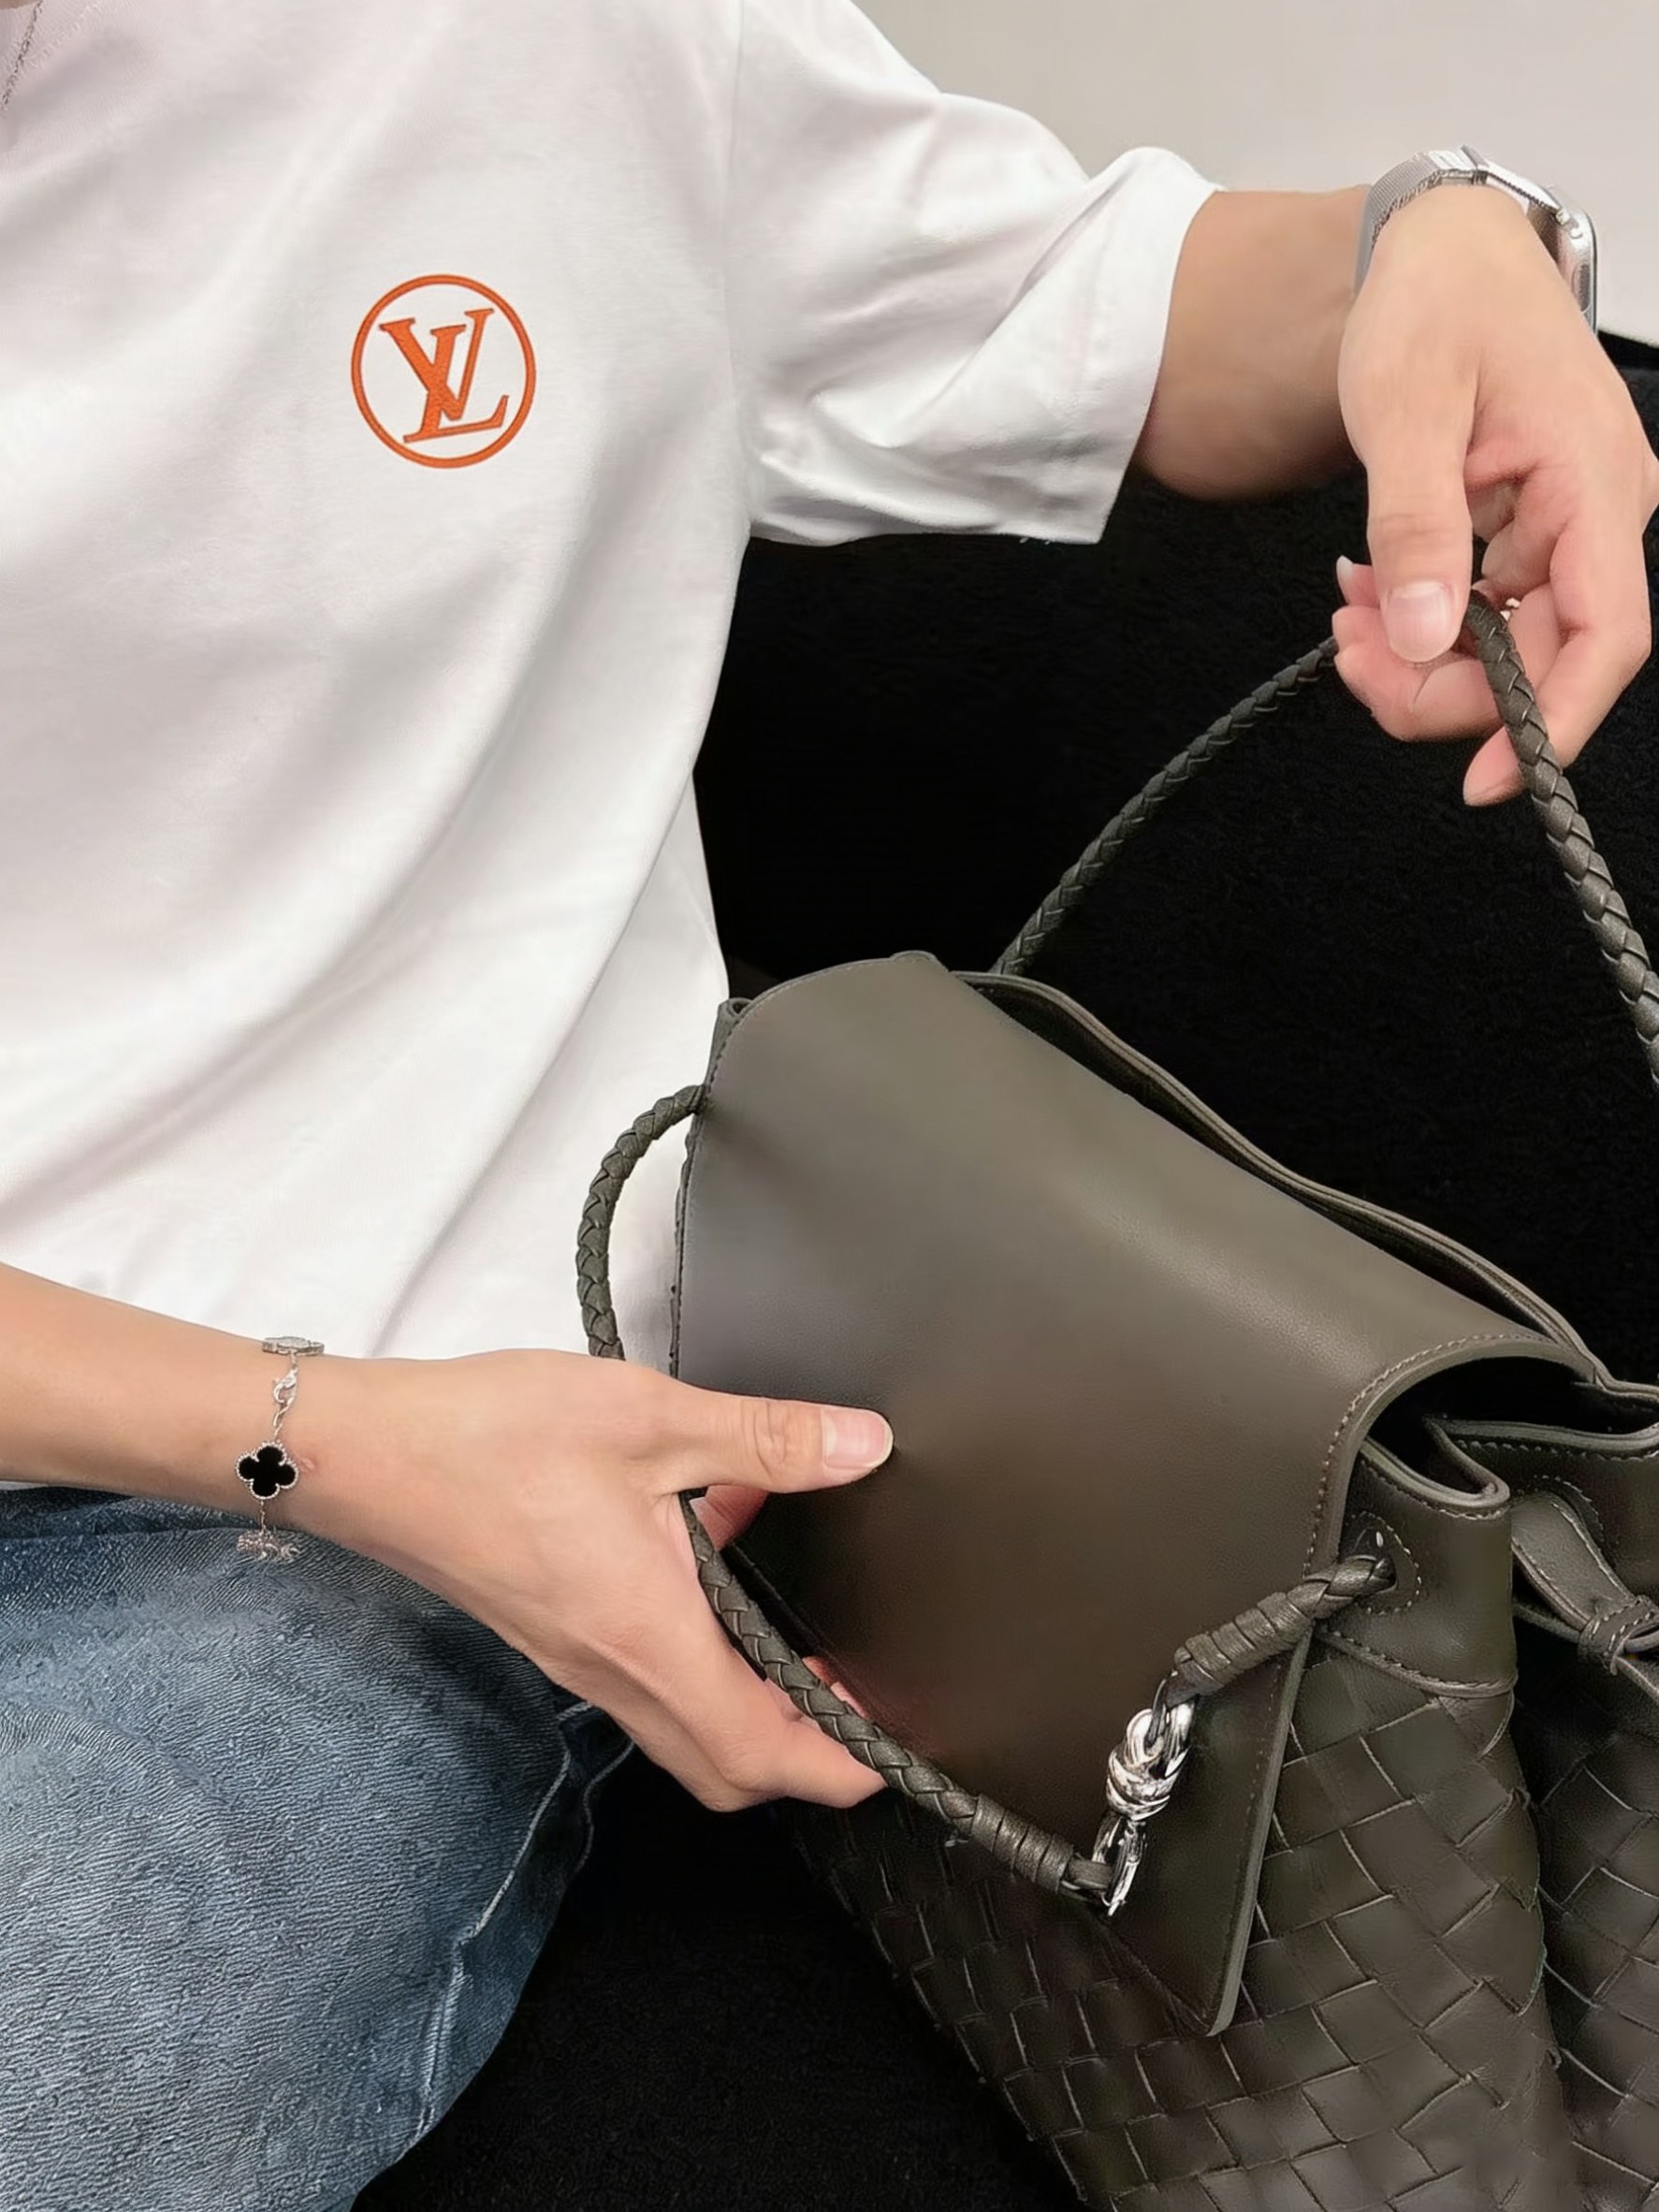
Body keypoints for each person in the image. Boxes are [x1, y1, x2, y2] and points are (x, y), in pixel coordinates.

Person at [1, 1, 1654, 2205]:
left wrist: (1436, 234)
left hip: (336, 1539)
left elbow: (1119, 310)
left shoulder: (547, 51)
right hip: (332, 1446)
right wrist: (305, 1423)